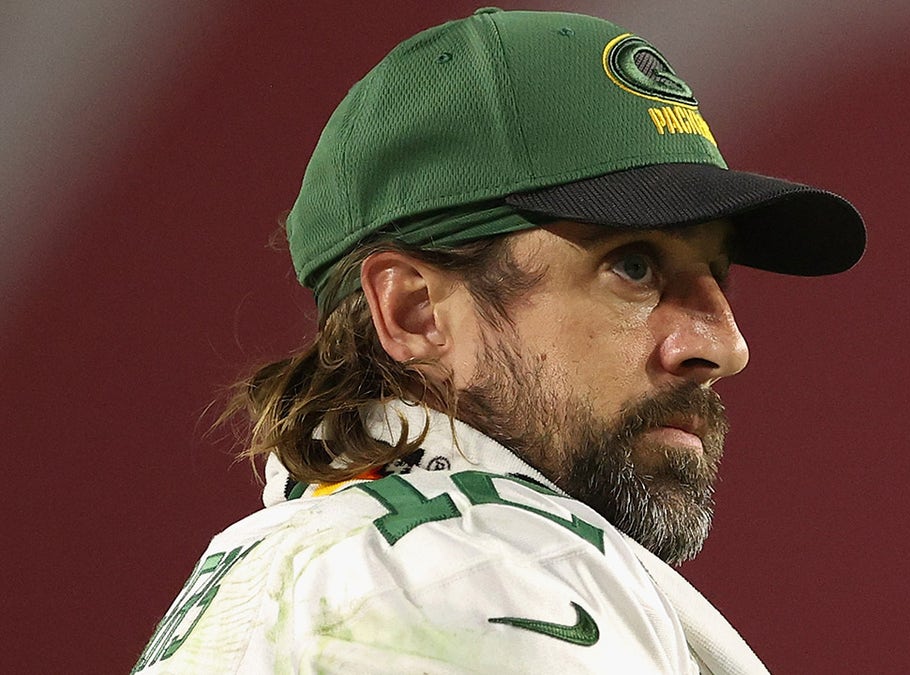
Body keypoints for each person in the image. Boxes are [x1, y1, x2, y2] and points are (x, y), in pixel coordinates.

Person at [133, 7, 864, 674]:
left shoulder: (297, 568)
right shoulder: (474, 585)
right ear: (415, 310)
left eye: (716, 273)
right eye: (633, 266)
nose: (723, 345)